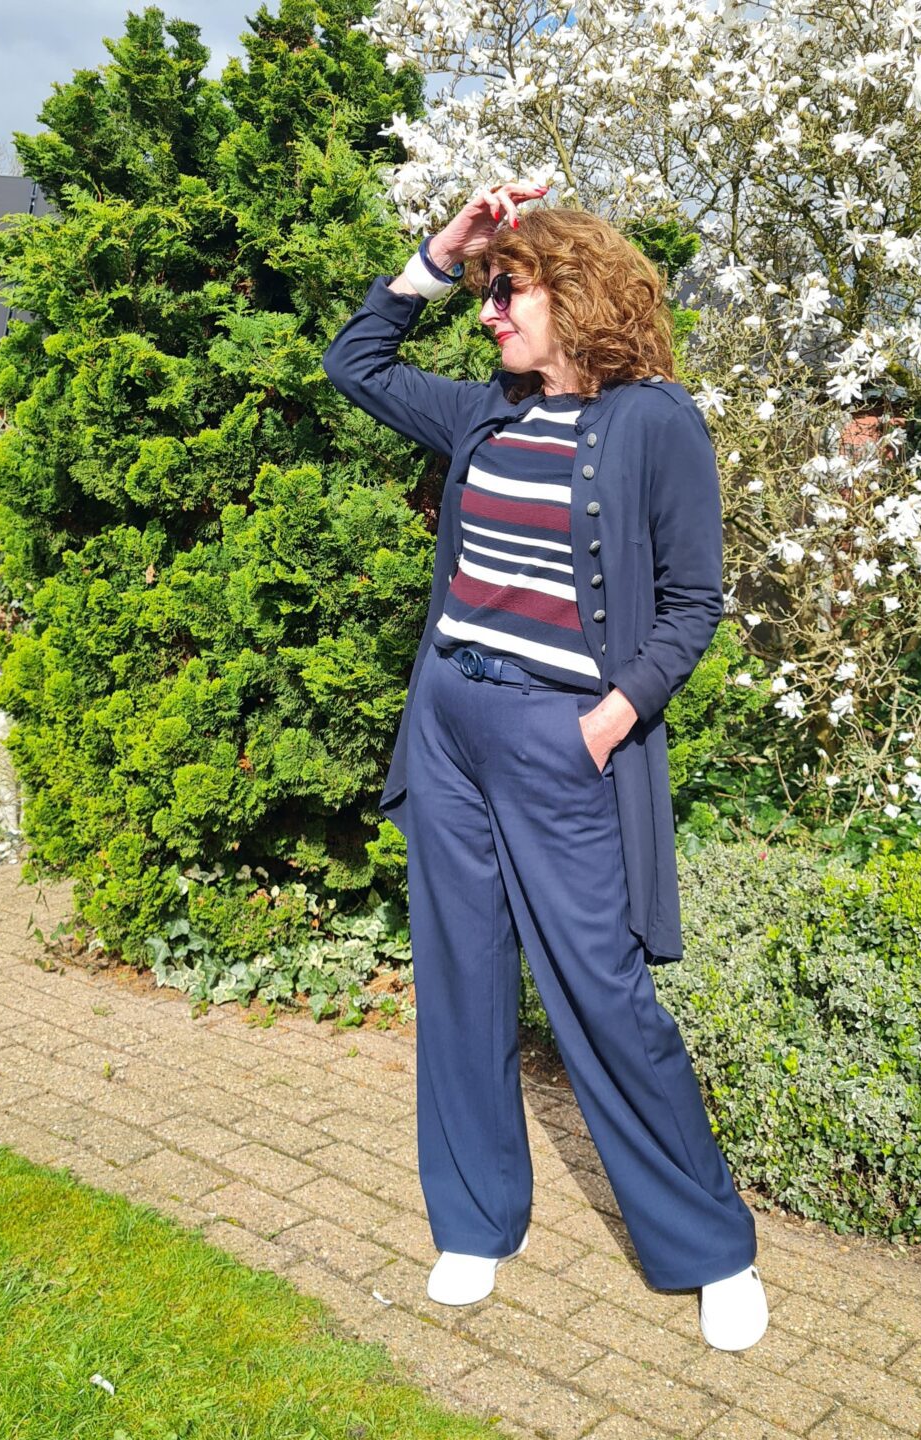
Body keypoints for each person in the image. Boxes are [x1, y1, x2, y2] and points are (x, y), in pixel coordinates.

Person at [321, 182, 768, 1351]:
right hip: (454, 728)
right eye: (483, 294)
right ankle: (474, 1224)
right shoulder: (482, 415)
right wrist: (443, 250)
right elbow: (354, 362)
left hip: (563, 741)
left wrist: (610, 720)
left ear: (572, 293)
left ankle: (709, 1247)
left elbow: (692, 602)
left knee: (602, 995)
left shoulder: (656, 423)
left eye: (504, 290)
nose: (487, 314)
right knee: (461, 979)